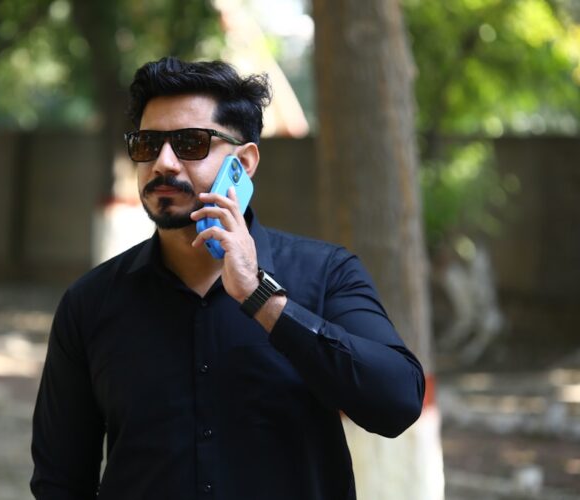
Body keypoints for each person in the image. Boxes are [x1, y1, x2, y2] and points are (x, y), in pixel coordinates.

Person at [31, 57, 425, 500]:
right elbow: (60, 480)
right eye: (147, 144)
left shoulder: (326, 274)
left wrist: (264, 300)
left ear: (244, 162)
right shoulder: (91, 303)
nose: (164, 163)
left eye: (190, 143)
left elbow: (398, 403)